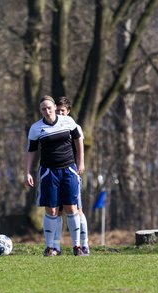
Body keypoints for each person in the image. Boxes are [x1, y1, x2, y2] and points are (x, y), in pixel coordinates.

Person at [25, 95, 85, 256]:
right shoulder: (36, 128)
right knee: (51, 210)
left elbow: (79, 140)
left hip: (68, 169)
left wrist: (81, 162)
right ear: (40, 110)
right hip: (48, 172)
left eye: (49, 108)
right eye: (43, 109)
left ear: (54, 108)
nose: (47, 111)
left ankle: (77, 246)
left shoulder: (68, 121)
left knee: (72, 207)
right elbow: (31, 150)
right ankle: (50, 247)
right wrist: (27, 172)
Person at [52, 96, 90, 256]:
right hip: (55, 174)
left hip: (71, 173)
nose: (60, 113)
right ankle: (56, 246)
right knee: (56, 211)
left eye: (63, 110)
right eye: (57, 110)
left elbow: (79, 147)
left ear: (68, 111)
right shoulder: (51, 127)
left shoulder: (74, 127)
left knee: (77, 210)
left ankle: (84, 244)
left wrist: (80, 164)